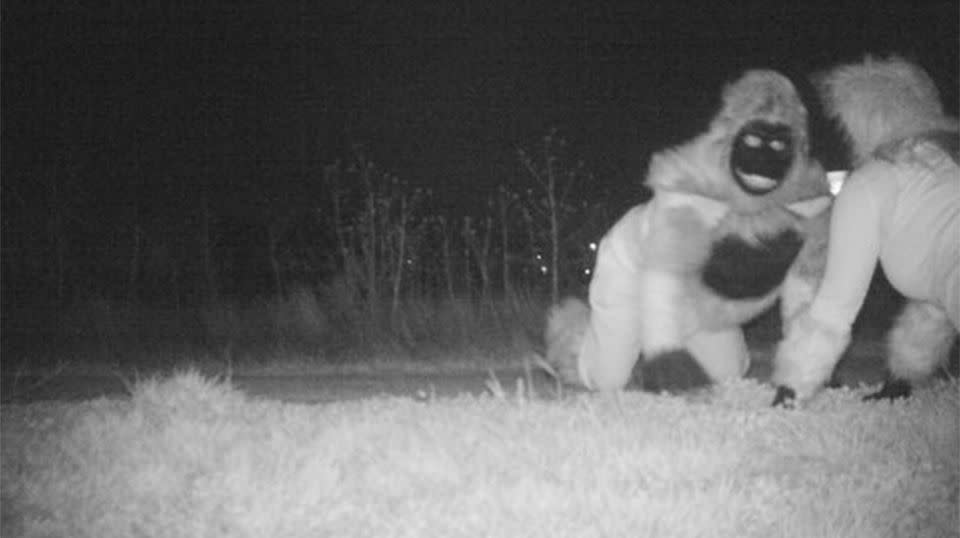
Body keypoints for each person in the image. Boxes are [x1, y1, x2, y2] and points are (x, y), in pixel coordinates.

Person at [772, 55, 959, 406]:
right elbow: (934, 302)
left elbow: (836, 303)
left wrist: (792, 386)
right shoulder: (945, 163)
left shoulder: (871, 183)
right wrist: (903, 376)